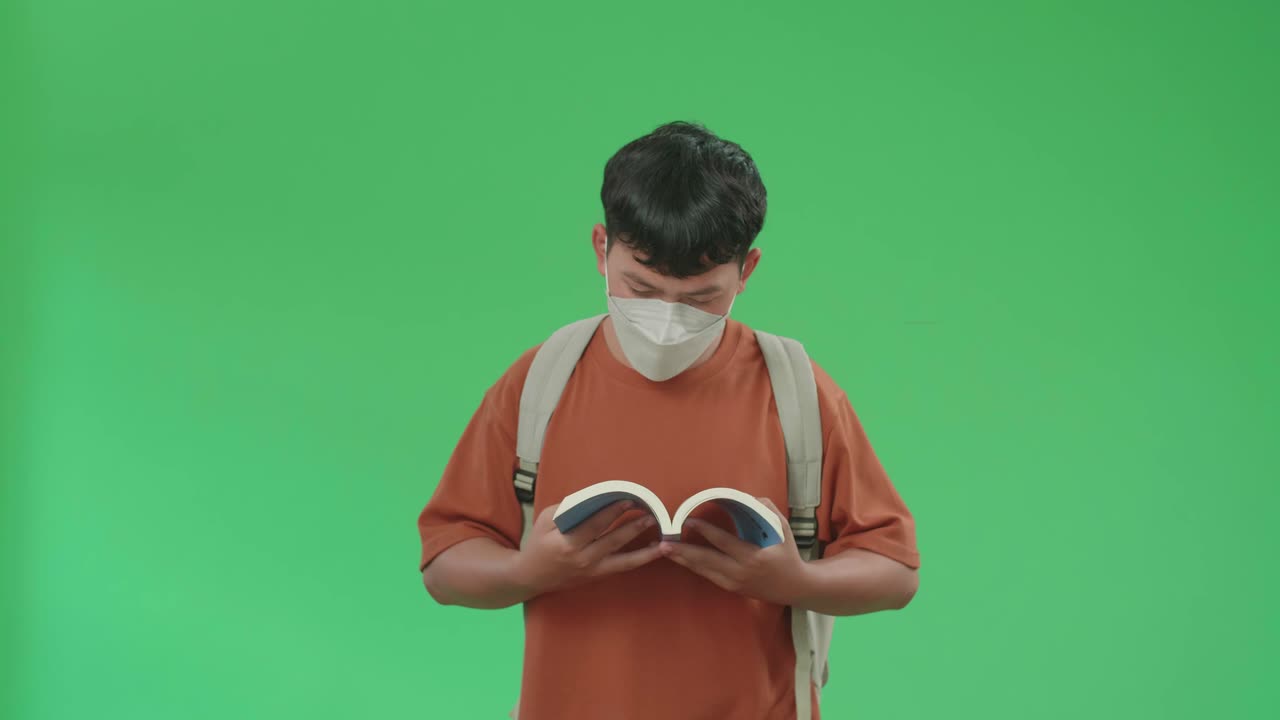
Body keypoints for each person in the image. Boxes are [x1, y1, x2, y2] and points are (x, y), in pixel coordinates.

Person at [417, 120, 921, 719]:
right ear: (602, 248)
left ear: (747, 270)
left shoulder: (798, 393)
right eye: (641, 286)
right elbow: (444, 566)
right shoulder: (539, 383)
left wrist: (794, 583)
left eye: (701, 298)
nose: (666, 319)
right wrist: (528, 570)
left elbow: (895, 572)